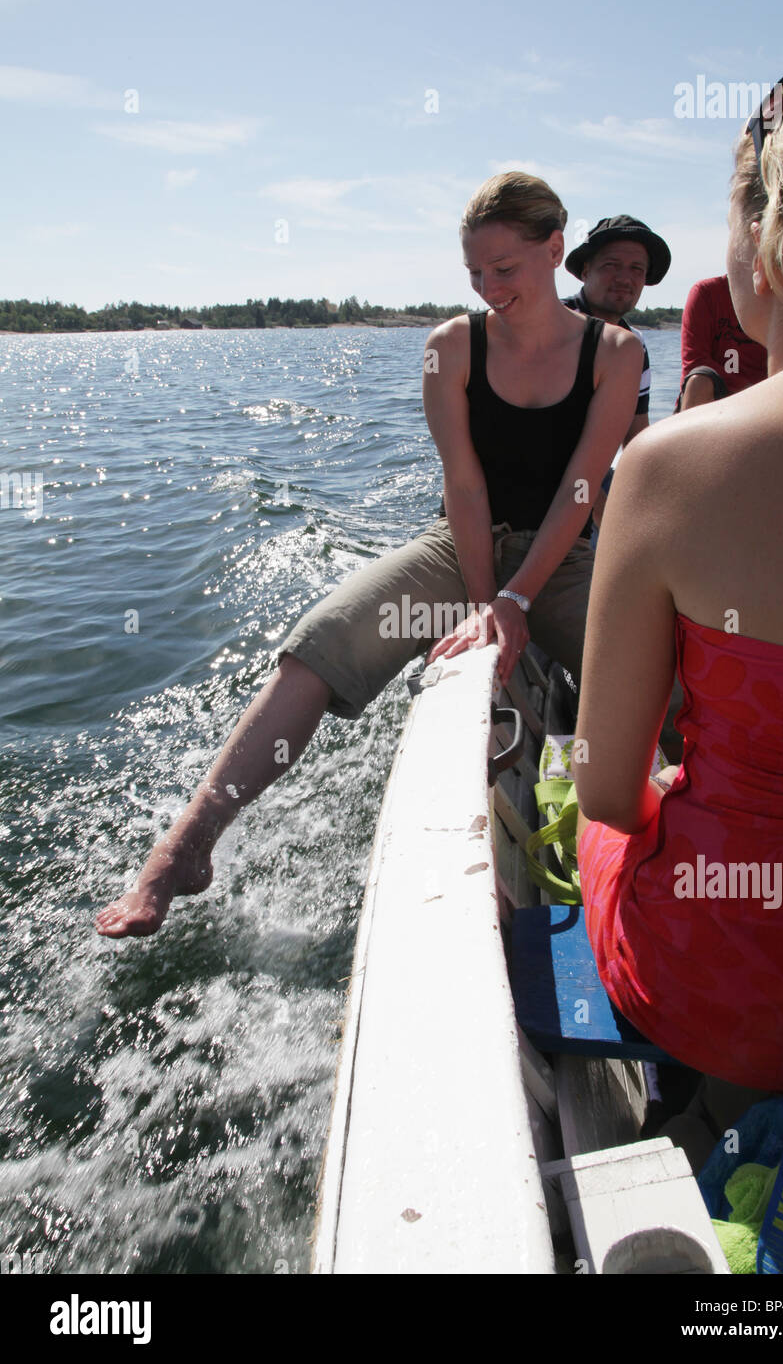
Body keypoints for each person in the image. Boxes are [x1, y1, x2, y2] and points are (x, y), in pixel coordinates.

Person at [95, 171, 643, 939]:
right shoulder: (451, 347)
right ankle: (190, 841)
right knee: (321, 644)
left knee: (668, 682)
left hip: (562, 563)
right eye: (475, 274)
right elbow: (465, 484)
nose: (489, 288)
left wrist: (517, 601)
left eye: (505, 270)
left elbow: (581, 492)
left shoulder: (615, 355)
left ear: (555, 250)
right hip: (459, 549)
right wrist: (487, 601)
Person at [573, 63, 783, 1110]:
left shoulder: (668, 470)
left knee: (593, 810)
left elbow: (610, 789)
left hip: (715, 991)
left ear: (767, 237)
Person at [562, 215, 671, 447]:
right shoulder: (550, 322)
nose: (624, 278)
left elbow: (636, 433)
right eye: (611, 265)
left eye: (636, 269)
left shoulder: (634, 345)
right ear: (585, 271)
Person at [676, 273, 767, 411]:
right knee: (699, 381)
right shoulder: (706, 293)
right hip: (718, 403)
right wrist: (748, 392)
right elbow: (695, 361)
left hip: (765, 403)